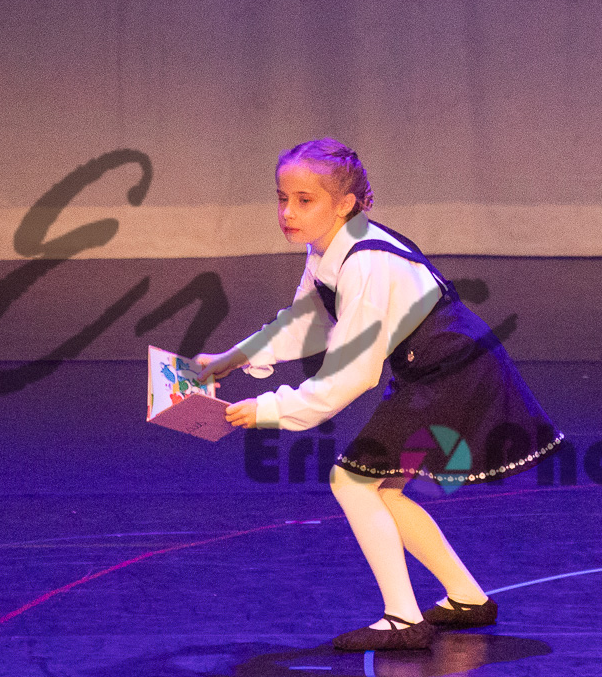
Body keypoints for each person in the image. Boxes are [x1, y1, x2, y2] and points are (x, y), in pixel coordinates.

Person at [196, 138, 563, 651]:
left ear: (344, 203)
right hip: (435, 369)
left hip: (455, 373)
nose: (287, 212)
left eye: (304, 200)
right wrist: (233, 358)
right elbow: (307, 321)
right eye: (282, 198)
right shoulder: (329, 246)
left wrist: (271, 409)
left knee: (352, 480)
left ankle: (403, 619)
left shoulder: (366, 262)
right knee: (381, 487)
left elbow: (353, 373)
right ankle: (466, 598)